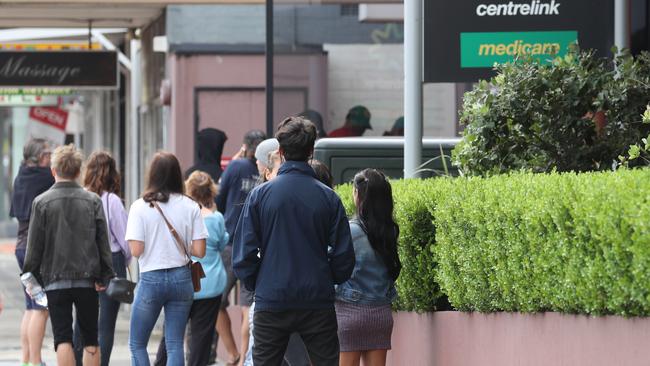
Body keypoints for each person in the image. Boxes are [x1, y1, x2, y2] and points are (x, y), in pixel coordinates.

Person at [233, 116, 355, 365]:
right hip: (317, 299)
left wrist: (260, 282)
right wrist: (325, 276)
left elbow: (243, 255)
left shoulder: (260, 196)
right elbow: (344, 257)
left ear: (280, 151)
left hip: (272, 296)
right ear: (311, 150)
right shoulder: (329, 198)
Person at [22, 144, 114, 366]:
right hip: (87, 280)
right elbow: (103, 242)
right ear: (78, 171)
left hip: (54, 279)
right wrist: (106, 275)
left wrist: (30, 277)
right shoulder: (93, 201)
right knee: (91, 337)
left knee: (62, 338)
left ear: (54, 171)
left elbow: (34, 247)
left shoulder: (41, 202)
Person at [126, 152, 208, 366]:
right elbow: (200, 250)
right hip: (182, 279)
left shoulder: (140, 206)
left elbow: (136, 250)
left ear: (152, 175)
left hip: (151, 279)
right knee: (174, 343)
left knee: (137, 343)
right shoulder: (191, 206)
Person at [154, 170, 230, 366]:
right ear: (210, 191)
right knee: (201, 339)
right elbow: (223, 243)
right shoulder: (216, 218)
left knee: (171, 334)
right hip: (209, 284)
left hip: (180, 281)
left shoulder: (178, 215)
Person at [336, 169, 402, 366]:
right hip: (380, 314)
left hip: (349, 314)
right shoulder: (389, 231)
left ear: (358, 195)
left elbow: (332, 266)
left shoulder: (350, 230)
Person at [73, 151, 131, 366]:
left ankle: (78, 362)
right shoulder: (112, 200)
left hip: (82, 261)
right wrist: (125, 261)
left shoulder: (79, 196)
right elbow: (125, 239)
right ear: (113, 173)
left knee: (81, 319)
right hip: (111, 261)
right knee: (106, 324)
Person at [215, 129, 266, 365]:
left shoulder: (235, 168)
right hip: (254, 245)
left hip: (229, 242)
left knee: (216, 301)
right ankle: (247, 357)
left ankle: (232, 352)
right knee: (248, 307)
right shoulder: (265, 171)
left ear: (245, 147)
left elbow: (219, 199)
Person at [10, 138, 54, 366]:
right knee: (41, 307)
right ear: (37, 158)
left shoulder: (21, 176)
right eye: (47, 154)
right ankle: (36, 362)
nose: (50, 159)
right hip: (35, 250)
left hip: (21, 248)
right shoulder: (44, 177)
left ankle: (27, 360)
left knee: (30, 306)